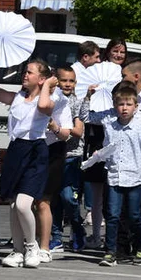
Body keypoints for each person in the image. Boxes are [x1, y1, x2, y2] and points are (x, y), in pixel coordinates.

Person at [91, 82, 141, 267]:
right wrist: (90, 96)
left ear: (136, 107)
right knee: (112, 215)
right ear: (115, 106)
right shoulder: (110, 125)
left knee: (135, 215)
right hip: (114, 176)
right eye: (121, 104)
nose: (124, 108)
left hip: (135, 177)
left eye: (128, 104)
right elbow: (95, 125)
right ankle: (110, 251)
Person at [0, 60, 54, 269]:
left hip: (36, 151)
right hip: (16, 150)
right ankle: (17, 251)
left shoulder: (49, 99)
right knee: (14, 205)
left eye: (30, 73)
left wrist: (46, 85)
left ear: (41, 79)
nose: (25, 75)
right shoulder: (17, 97)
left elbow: (43, 106)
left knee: (25, 204)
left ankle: (32, 246)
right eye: (25, 71)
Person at [52, 65, 86, 251]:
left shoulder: (78, 102)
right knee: (54, 198)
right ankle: (56, 236)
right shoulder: (51, 100)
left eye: (71, 81)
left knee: (69, 197)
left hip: (72, 156)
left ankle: (77, 227)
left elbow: (78, 131)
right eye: (63, 80)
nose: (67, 84)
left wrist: (58, 128)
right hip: (53, 154)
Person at [40, 76, 73, 258]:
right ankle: (31, 242)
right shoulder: (29, 99)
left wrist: (54, 126)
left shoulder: (61, 102)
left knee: (45, 200)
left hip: (53, 151)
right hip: (32, 149)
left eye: (52, 86)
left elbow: (66, 134)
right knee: (26, 202)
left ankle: (45, 245)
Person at [77, 40, 106, 249]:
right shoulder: (77, 76)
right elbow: (84, 115)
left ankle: (100, 236)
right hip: (86, 139)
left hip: (101, 138)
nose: (99, 61)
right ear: (85, 57)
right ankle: (81, 234)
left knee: (101, 194)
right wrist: (88, 96)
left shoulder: (105, 78)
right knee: (80, 191)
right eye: (96, 57)